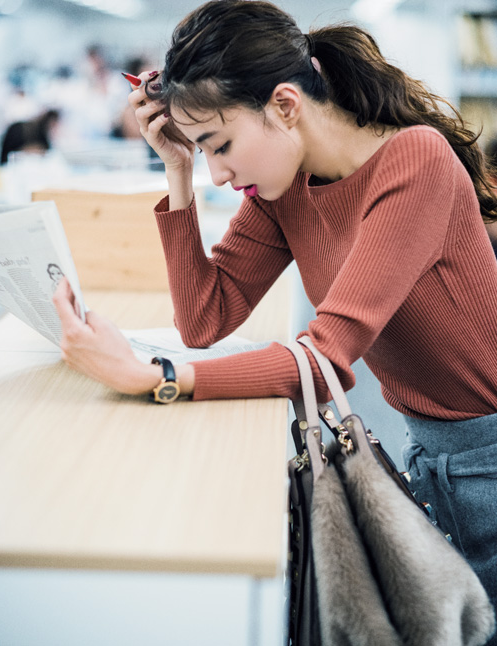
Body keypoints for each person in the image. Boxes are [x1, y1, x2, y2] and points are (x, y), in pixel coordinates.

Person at [52, 0, 497, 634]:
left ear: (286, 106)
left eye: (221, 144)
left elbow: (325, 356)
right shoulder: (284, 187)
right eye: (203, 151)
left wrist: (156, 376)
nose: (219, 171)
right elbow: (205, 318)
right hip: (428, 451)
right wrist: (175, 170)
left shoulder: (414, 161)